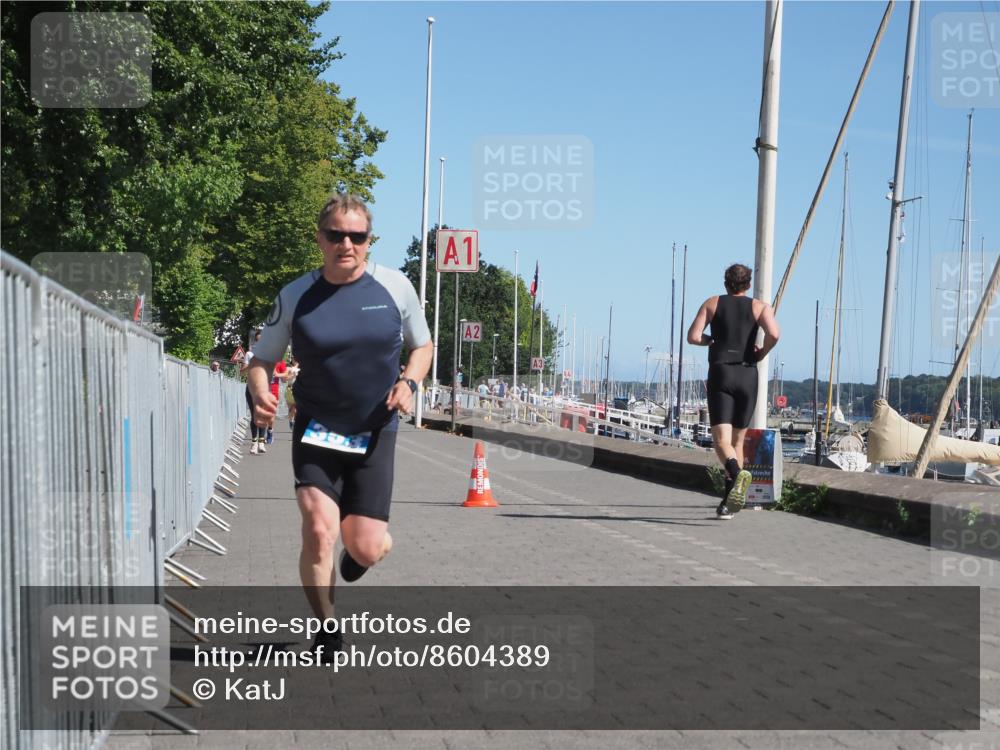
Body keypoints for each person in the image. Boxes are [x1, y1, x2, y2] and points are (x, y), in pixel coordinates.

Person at [247, 193, 432, 657]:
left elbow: (423, 347)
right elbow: (261, 359)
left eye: (357, 236)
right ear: (320, 239)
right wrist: (260, 392)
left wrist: (409, 383)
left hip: (375, 428)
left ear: (370, 241)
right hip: (317, 427)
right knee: (317, 529)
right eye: (336, 235)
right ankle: (327, 629)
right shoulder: (296, 296)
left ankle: (364, 551)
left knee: (365, 548)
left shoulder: (395, 288)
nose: (346, 244)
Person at [686, 263, 780, 520]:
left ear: (725, 282)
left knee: (721, 442)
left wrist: (710, 340)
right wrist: (762, 352)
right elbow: (774, 333)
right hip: (748, 374)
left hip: (721, 372)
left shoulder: (712, 303)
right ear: (748, 284)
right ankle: (728, 505)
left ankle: (737, 475)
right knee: (737, 442)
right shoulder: (760, 307)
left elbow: (693, 336)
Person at [240, 331, 267, 454]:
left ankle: (261, 442)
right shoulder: (249, 354)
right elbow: (242, 371)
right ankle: (254, 443)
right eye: (258, 340)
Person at [285, 357, 301, 429]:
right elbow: (286, 378)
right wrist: (292, 375)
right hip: (290, 388)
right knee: (291, 408)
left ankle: (295, 421)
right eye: (294, 358)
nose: (296, 360)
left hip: (299, 389)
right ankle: (291, 420)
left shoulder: (301, 368)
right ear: (292, 360)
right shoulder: (289, 368)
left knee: (296, 408)